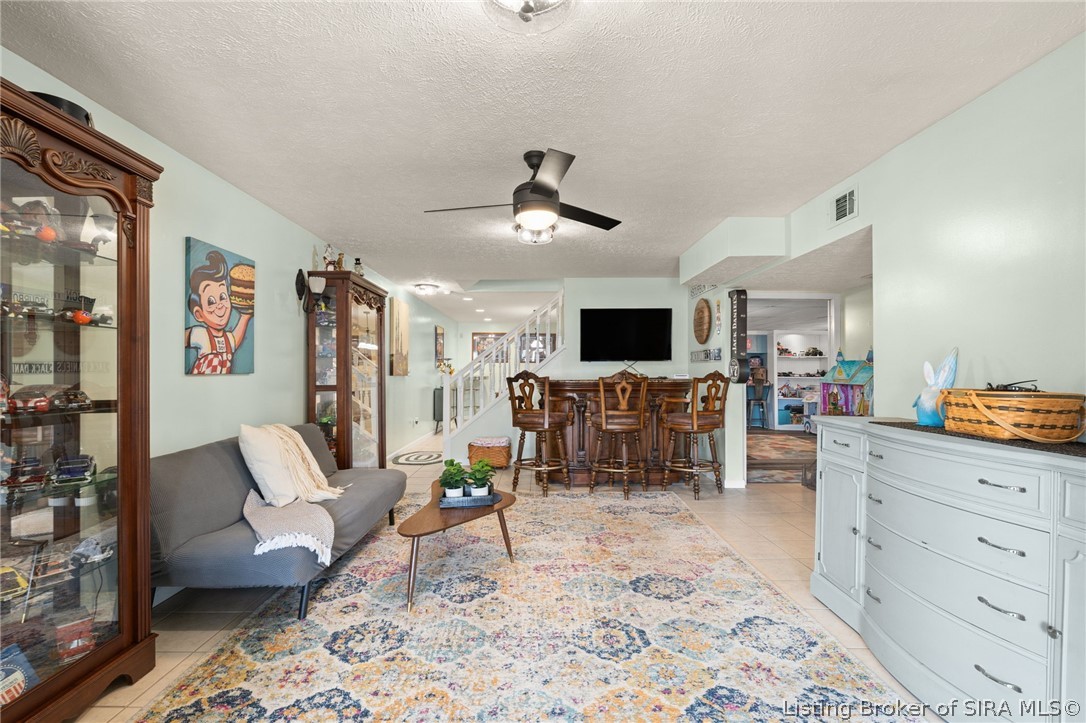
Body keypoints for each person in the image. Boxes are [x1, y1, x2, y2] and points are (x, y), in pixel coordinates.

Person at [184, 250, 252, 374]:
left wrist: (246, 316)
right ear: (199, 314)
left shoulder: (228, 340)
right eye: (211, 301)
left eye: (223, 297)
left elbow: (236, 338)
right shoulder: (201, 335)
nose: (220, 305)